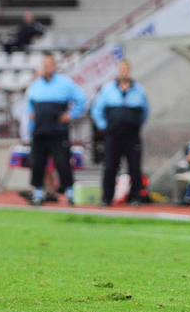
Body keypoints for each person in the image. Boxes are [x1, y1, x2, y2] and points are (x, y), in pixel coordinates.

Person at [25, 52, 86, 205]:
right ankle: (38, 192)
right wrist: (31, 114)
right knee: (37, 163)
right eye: (45, 65)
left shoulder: (65, 83)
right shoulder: (36, 84)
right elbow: (29, 103)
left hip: (58, 131)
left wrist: (71, 115)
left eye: (50, 64)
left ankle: (70, 192)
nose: (47, 67)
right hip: (39, 131)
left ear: (55, 66)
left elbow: (81, 99)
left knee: (63, 163)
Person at [91, 60, 150, 207]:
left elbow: (145, 112)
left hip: (132, 135)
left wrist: (135, 124)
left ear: (129, 70)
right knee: (110, 166)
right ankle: (107, 197)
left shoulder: (139, 90)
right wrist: (104, 126)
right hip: (113, 134)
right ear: (118, 70)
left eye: (126, 69)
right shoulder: (108, 89)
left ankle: (135, 196)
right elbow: (96, 110)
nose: (124, 71)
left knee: (134, 166)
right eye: (121, 69)